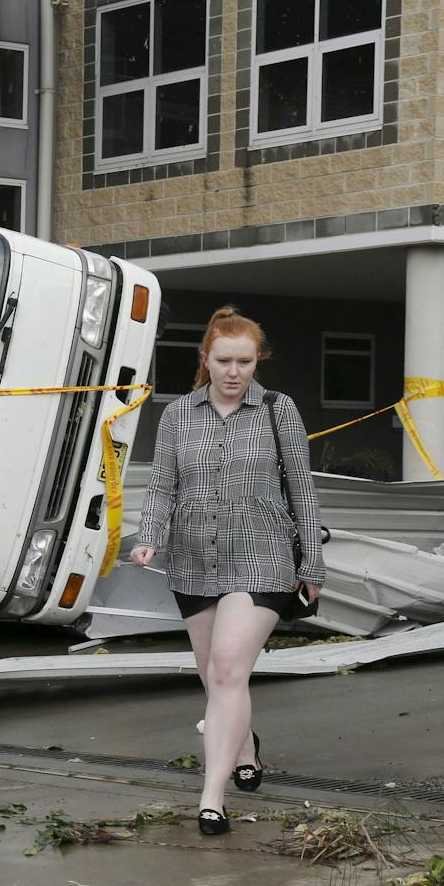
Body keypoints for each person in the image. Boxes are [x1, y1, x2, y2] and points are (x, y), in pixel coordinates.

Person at [129, 306, 324, 835]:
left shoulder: (279, 410)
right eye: (224, 361)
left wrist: (313, 561)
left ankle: (211, 799)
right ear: (206, 359)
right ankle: (246, 750)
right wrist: (149, 537)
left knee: (226, 671)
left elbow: (301, 489)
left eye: (245, 361)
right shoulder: (178, 415)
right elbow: (164, 483)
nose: (235, 372)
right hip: (193, 558)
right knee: (216, 680)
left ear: (257, 360)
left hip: (263, 557)